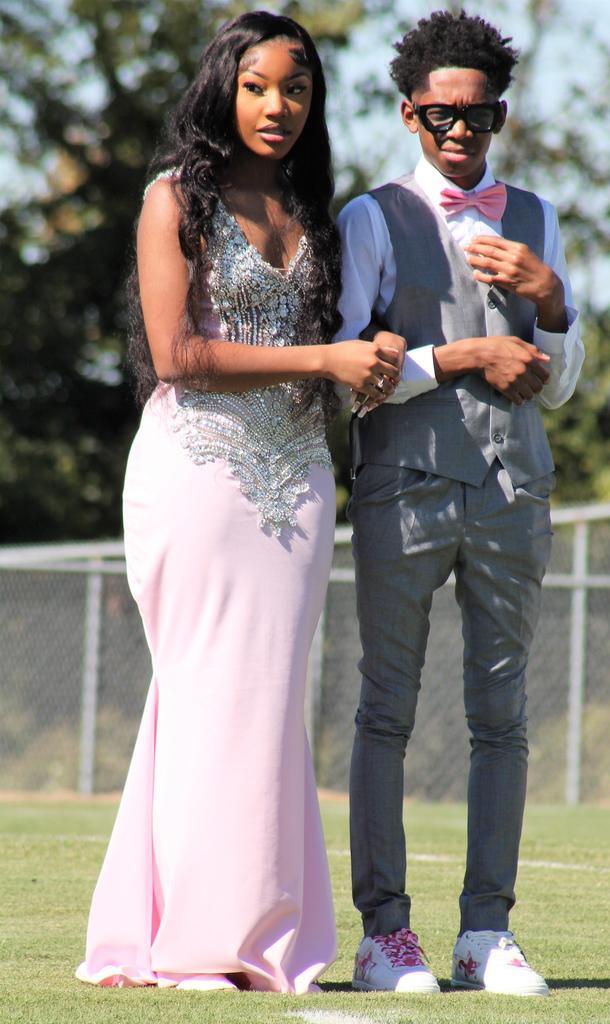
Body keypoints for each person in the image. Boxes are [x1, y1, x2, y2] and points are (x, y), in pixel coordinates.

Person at [75, 11, 403, 994]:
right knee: (206, 695)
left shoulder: (311, 208)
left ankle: (245, 933)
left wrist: (367, 369)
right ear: (223, 87)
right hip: (198, 476)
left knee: (263, 704)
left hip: (297, 481)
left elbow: (329, 356)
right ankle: (199, 946)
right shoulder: (173, 198)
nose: (276, 105)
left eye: (295, 89)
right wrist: (326, 359)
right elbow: (177, 355)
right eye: (257, 85)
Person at [337, 10, 584, 997]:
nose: (458, 129)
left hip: (513, 491)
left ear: (498, 116)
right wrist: (462, 354)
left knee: (501, 718)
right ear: (410, 114)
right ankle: (383, 936)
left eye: (475, 113)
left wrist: (549, 298)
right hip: (402, 489)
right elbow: (349, 371)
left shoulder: (537, 217)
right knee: (385, 711)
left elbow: (559, 385)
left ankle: (486, 932)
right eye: (439, 113)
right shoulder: (371, 217)